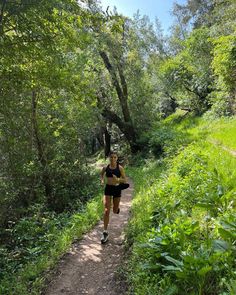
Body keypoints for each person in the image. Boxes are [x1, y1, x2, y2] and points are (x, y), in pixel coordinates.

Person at [100, 151, 127, 244]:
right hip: (108, 189)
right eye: (111, 157)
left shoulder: (120, 168)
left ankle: (116, 208)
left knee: (114, 211)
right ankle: (105, 232)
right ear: (109, 158)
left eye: (115, 157)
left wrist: (118, 179)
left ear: (117, 158)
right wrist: (102, 181)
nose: (113, 159)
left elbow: (125, 180)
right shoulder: (105, 167)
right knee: (107, 210)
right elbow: (101, 175)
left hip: (116, 189)